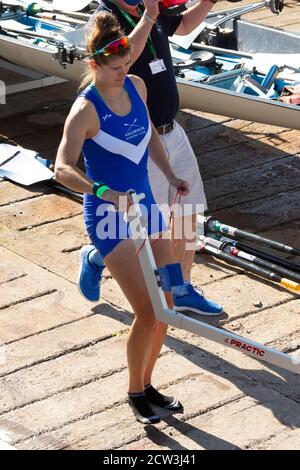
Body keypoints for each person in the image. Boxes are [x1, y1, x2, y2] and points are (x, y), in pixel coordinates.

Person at [55, 12, 190, 424]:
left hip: (147, 211)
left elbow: (148, 133)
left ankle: (148, 384)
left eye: (127, 65)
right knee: (147, 312)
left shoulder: (137, 86)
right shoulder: (84, 111)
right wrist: (103, 192)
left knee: (169, 303)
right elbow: (61, 168)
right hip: (110, 220)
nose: (123, 73)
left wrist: (169, 175)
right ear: (94, 65)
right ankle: (135, 393)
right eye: (115, 68)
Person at [78, 0, 223, 316]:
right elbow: (125, 56)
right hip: (137, 141)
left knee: (188, 211)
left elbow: (182, 26)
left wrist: (209, 2)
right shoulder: (104, 18)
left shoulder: (150, 10)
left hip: (173, 131)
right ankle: (96, 256)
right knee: (144, 227)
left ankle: (181, 288)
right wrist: (148, 16)